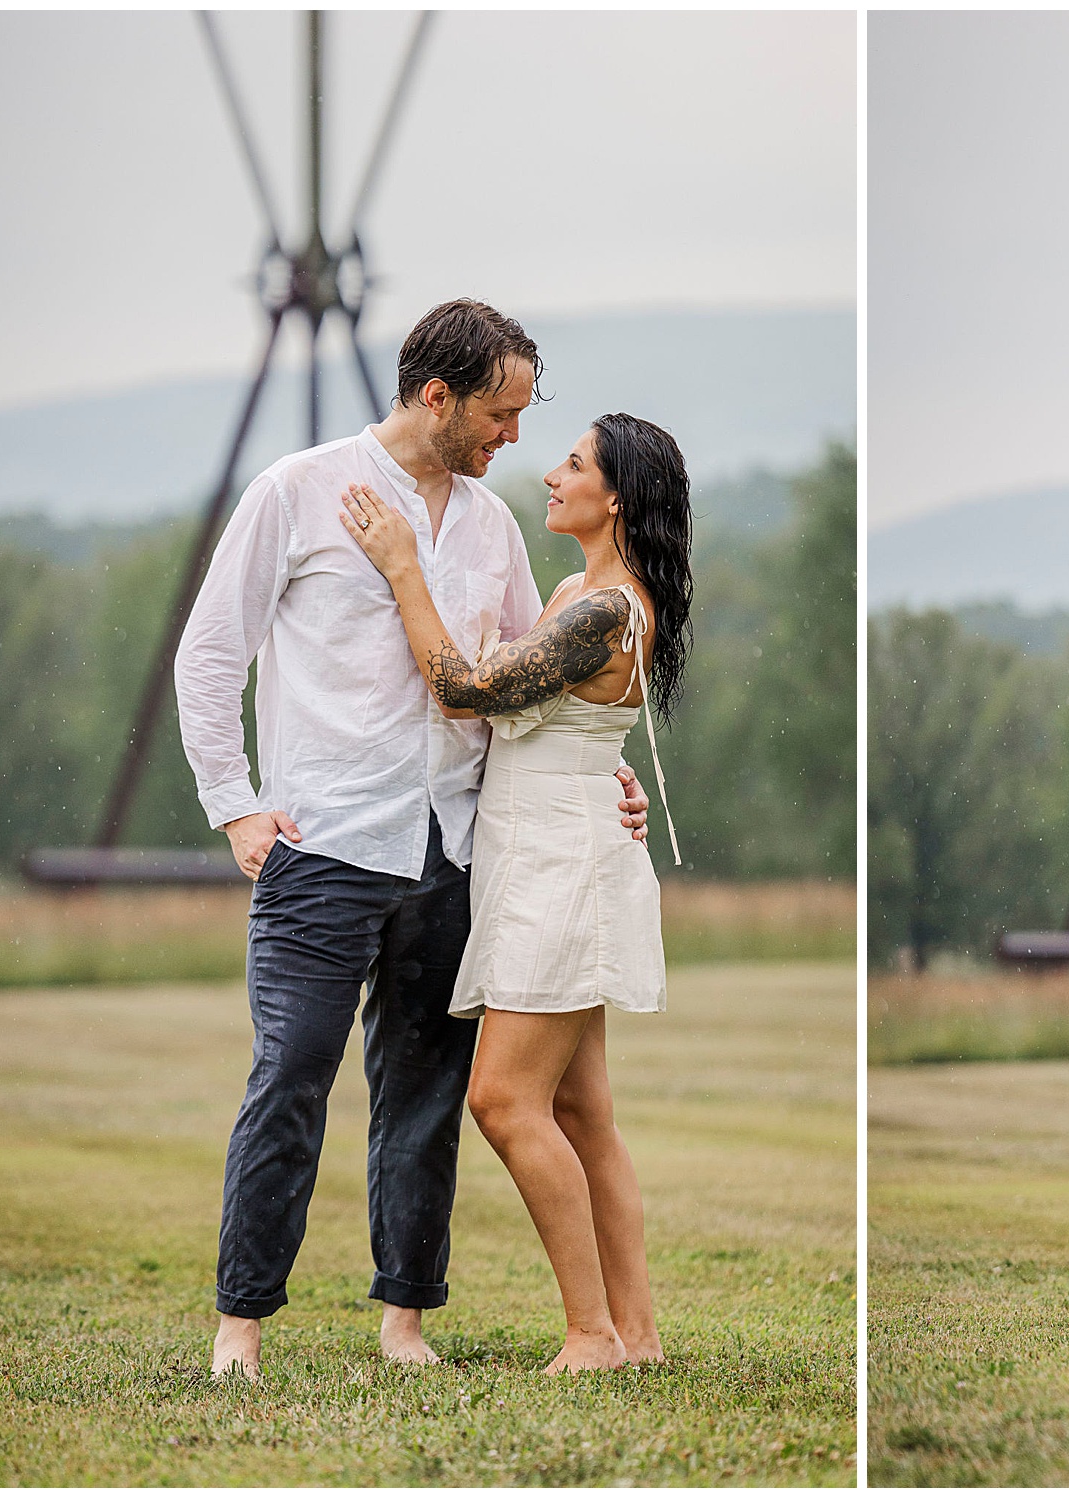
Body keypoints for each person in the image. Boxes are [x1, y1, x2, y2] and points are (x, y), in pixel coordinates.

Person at [175, 299, 649, 1381]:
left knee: (426, 1093)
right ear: (435, 396)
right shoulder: (296, 491)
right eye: (499, 412)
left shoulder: (489, 527)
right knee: (292, 1073)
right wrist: (236, 803)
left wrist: (606, 768)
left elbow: (533, 679)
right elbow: (210, 656)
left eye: (526, 418)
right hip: (324, 840)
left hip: (455, 848)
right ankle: (239, 1326)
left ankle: (405, 1322)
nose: (512, 439)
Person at [338, 410, 691, 1373]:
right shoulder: (583, 592)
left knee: (503, 1100)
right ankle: (639, 1335)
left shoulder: (600, 613)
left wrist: (404, 565)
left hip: (558, 866)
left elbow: (462, 690)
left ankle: (592, 1336)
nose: (551, 474)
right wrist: (612, 775)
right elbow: (547, 723)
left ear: (613, 497)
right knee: (582, 1113)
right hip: (542, 847)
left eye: (572, 464)